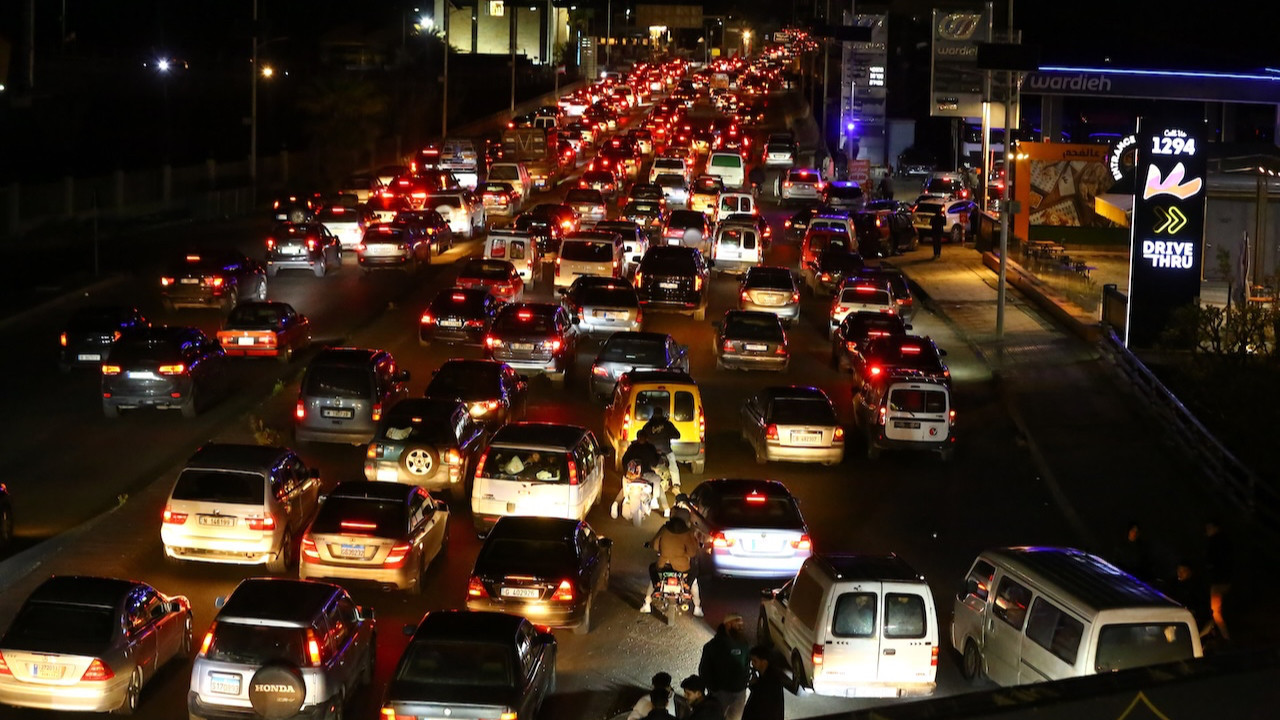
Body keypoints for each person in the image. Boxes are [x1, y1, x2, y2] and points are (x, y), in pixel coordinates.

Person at [642, 515, 702, 617]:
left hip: (664, 565)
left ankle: (647, 603)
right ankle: (696, 606)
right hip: (682, 568)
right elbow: (692, 553)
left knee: (653, 570)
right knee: (695, 573)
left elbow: (656, 546)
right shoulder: (687, 534)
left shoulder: (664, 530)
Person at [698, 614, 750, 720]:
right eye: (737, 624)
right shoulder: (713, 646)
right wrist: (714, 689)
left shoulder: (744, 644)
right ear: (728, 625)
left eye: (741, 624)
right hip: (721, 693)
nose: (741, 627)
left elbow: (747, 664)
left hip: (739, 693)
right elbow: (704, 670)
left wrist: (744, 682)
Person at [612, 430, 671, 518]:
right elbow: (654, 463)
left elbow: (624, 460)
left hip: (631, 476)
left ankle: (615, 504)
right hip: (646, 475)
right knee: (657, 482)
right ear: (646, 438)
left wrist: (627, 473)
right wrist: (658, 455)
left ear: (637, 437)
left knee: (624, 489)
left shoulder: (632, 447)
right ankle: (663, 507)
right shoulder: (650, 448)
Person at [740, 646, 799, 720]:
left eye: (755, 661)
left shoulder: (770, 680)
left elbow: (761, 703)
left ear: (764, 662)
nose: (752, 664)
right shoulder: (766, 676)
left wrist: (754, 685)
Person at [1166, 560, 1213, 639]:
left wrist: (1193, 611)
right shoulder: (1173, 584)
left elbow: (1202, 605)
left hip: (1195, 618)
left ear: (1190, 572)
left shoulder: (1198, 586)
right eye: (1178, 570)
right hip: (1176, 615)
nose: (1180, 573)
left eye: (1183, 571)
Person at [1204, 520, 1233, 641]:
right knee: (1219, 610)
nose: (1207, 531)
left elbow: (1213, 561)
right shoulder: (1225, 542)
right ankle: (1220, 633)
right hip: (1225, 580)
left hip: (1218, 581)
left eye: (1209, 528)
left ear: (1215, 528)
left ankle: (1225, 636)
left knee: (1215, 611)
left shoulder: (1215, 543)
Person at [641, 407, 682, 490]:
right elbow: (677, 435)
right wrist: (668, 435)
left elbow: (642, 435)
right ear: (662, 414)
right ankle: (676, 484)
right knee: (673, 463)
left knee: (645, 463)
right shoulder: (667, 424)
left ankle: (644, 481)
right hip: (666, 450)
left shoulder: (648, 425)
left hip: (652, 451)